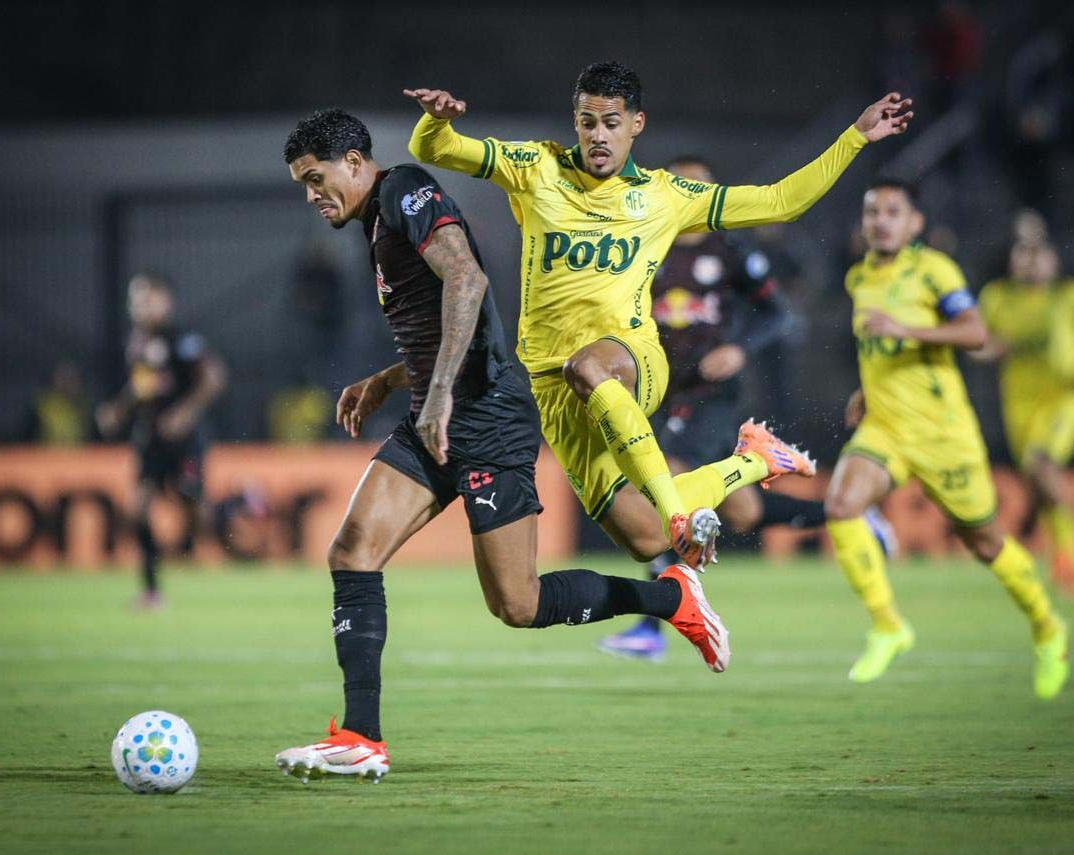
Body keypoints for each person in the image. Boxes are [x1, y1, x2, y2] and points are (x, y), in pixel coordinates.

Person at [273, 109, 731, 785]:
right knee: (352, 551)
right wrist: (391, 380)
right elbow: (443, 325)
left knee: (519, 604)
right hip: (437, 414)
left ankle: (671, 600)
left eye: (316, 178)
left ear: (354, 161)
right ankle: (361, 736)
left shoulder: (404, 191)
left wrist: (437, 396)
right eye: (303, 185)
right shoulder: (377, 221)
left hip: (486, 415)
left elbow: (467, 280)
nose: (312, 195)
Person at [404, 62, 913, 574]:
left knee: (590, 370)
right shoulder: (536, 166)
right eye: (587, 122)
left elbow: (781, 202)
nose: (598, 135)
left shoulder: (665, 195)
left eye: (611, 123)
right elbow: (432, 149)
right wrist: (436, 120)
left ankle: (679, 519)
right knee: (644, 538)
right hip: (551, 384)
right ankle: (755, 461)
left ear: (636, 124)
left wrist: (854, 137)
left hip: (631, 359)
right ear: (575, 121)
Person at [596, 156, 897, 662]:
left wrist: (739, 349)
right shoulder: (644, 245)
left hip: (713, 394)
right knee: (743, 512)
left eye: (702, 187)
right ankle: (847, 513)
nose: (693, 195)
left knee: (666, 481)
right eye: (684, 185)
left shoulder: (730, 250)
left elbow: (777, 313)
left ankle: (652, 626)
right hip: (663, 391)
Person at [824, 179, 1069, 699]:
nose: (881, 221)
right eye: (872, 212)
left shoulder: (935, 270)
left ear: (915, 223)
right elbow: (879, 345)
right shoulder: (858, 277)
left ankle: (1048, 628)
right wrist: (867, 388)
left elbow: (975, 333)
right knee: (841, 505)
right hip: (886, 426)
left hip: (942, 434)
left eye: (893, 211)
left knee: (986, 543)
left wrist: (907, 331)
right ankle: (888, 625)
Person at [975, 238, 1074, 594]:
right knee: (1035, 481)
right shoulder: (997, 298)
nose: (1031, 263)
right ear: (1012, 261)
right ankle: (1062, 552)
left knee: (1042, 463)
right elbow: (975, 344)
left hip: (1063, 398)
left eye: (1038, 255)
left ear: (1053, 260)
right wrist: (994, 350)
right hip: (1019, 403)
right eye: (1023, 255)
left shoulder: (1072, 295)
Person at [96, 273, 226, 609]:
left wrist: (184, 413)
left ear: (165, 301)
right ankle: (152, 591)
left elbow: (214, 378)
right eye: (135, 300)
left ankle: (220, 541)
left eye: (147, 299)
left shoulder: (183, 339)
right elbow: (143, 387)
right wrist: (118, 410)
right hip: (150, 439)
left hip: (186, 441)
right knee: (138, 508)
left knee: (191, 501)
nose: (139, 307)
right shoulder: (137, 343)